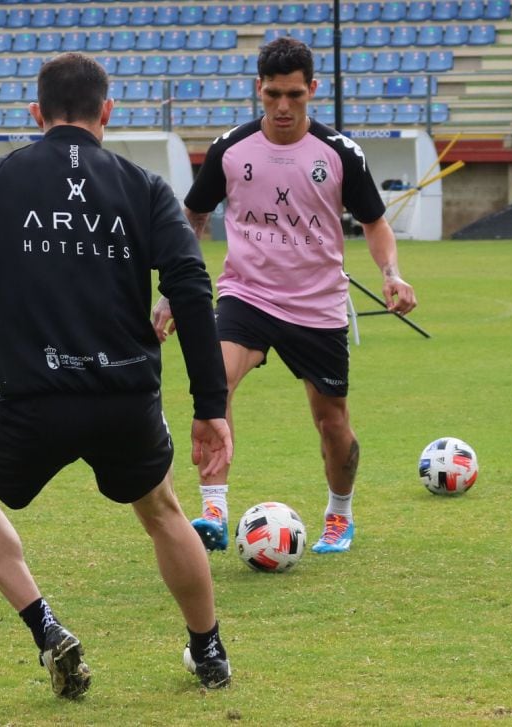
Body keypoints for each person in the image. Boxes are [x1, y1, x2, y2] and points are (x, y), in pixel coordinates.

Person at [0, 53, 234, 697]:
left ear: (36, 114)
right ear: (107, 111)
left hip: (33, 400)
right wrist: (211, 404)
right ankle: (208, 653)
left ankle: (47, 629)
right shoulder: (145, 187)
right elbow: (189, 288)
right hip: (126, 396)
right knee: (162, 510)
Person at [153, 37, 417, 555]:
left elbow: (374, 222)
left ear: (311, 89)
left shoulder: (340, 154)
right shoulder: (231, 148)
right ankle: (213, 508)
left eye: (294, 95)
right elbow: (195, 217)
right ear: (259, 88)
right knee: (216, 385)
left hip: (317, 307)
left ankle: (339, 515)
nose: (282, 106)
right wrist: (172, 291)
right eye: (272, 94)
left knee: (331, 420)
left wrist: (391, 272)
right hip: (245, 296)